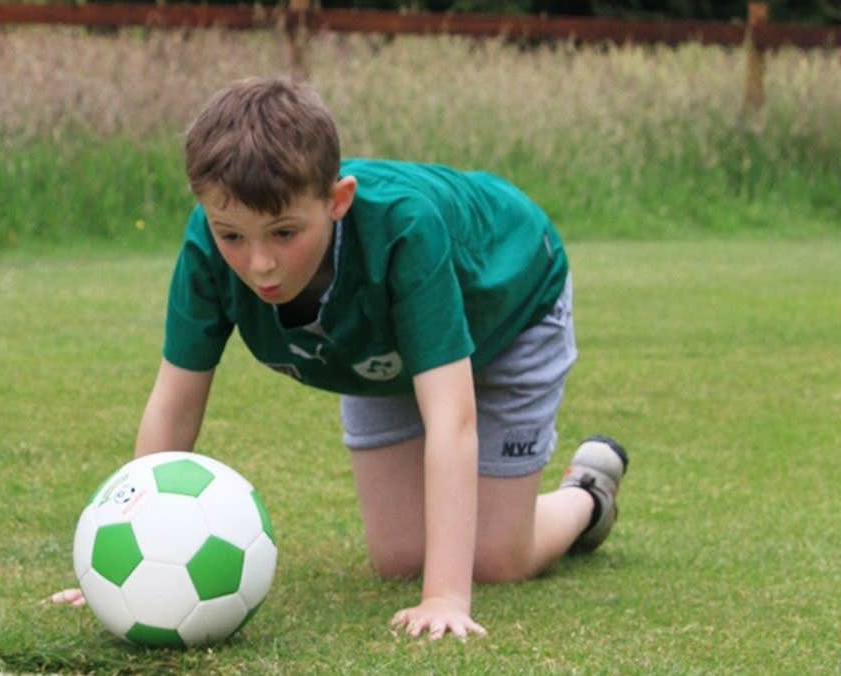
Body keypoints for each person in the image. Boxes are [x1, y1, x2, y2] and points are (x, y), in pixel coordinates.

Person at [51, 76, 628, 640]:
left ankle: (587, 495)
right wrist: (118, 561)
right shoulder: (206, 244)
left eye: (283, 233)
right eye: (233, 236)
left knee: (495, 559)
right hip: (379, 347)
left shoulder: (407, 230)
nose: (259, 265)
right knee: (402, 557)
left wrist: (445, 597)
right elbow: (173, 407)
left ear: (337, 201)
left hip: (510, 300)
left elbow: (451, 419)